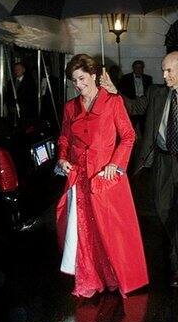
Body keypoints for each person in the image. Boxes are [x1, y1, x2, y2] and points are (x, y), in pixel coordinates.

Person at [101, 51, 178, 288]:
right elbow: (135, 107)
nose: (164, 74)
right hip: (162, 162)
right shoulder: (156, 92)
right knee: (163, 208)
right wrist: (114, 90)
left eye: (169, 70)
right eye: (163, 69)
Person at [56, 54, 149, 298]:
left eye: (82, 78)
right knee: (84, 231)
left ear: (94, 75)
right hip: (79, 176)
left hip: (104, 177)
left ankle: (116, 275)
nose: (78, 84)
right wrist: (62, 158)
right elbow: (65, 138)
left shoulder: (113, 102)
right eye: (74, 80)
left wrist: (115, 164)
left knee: (111, 231)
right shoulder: (70, 107)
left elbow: (128, 136)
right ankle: (89, 278)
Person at [6, 62, 37, 126]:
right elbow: (8, 95)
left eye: (18, 69)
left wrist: (21, 107)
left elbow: (31, 97)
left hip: (25, 112)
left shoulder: (29, 81)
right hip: (13, 112)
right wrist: (10, 106)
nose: (16, 71)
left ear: (23, 70)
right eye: (15, 69)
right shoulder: (10, 81)